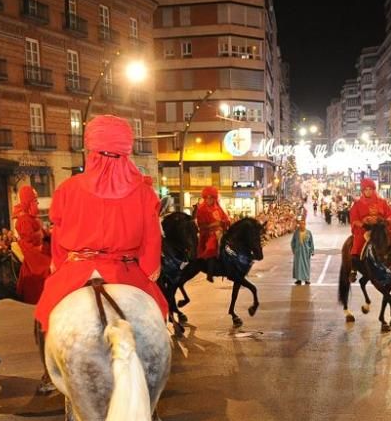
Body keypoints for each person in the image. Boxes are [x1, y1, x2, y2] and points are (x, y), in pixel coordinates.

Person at [34, 115, 167, 333]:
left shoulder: (68, 189)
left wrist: (59, 267)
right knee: (157, 320)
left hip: (77, 271)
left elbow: (58, 238)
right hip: (125, 271)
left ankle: (50, 365)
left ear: (92, 152)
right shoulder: (143, 192)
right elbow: (151, 239)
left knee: (48, 321)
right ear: (125, 153)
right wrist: (149, 271)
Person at [348, 177, 391, 281]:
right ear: (363, 191)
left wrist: (386, 220)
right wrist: (363, 223)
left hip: (380, 228)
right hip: (365, 229)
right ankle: (353, 270)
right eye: (366, 189)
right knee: (357, 243)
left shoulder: (382, 202)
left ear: (374, 190)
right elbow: (354, 218)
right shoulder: (358, 203)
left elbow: (390, 214)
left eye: (370, 189)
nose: (368, 191)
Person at [12, 184, 51, 305]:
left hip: (40, 246)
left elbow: (42, 231)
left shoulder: (32, 217)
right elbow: (29, 239)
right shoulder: (23, 219)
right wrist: (42, 236)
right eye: (35, 200)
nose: (37, 203)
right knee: (47, 267)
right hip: (32, 250)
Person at [195, 185, 231, 283]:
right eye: (207, 197)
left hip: (221, 231)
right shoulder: (201, 209)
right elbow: (201, 225)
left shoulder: (218, 207)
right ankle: (210, 273)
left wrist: (223, 223)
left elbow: (226, 219)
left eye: (211, 197)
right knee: (212, 245)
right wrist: (213, 226)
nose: (209, 199)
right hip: (208, 233)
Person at [290, 218, 315, 285]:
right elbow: (293, 242)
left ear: (305, 224)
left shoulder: (308, 232)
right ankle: (299, 279)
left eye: (303, 224)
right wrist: (294, 250)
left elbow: (311, 242)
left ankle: (306, 279)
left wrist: (312, 250)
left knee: (306, 265)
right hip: (298, 252)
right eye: (300, 224)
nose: (302, 225)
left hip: (306, 252)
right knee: (298, 266)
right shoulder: (296, 233)